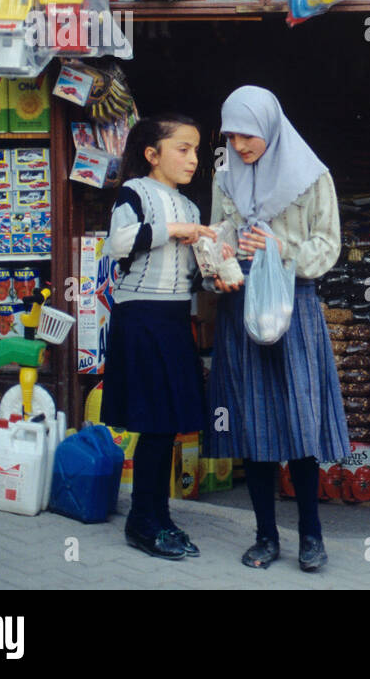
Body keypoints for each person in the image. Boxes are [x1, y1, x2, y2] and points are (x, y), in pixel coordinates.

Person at [205, 86, 348, 572]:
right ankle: (266, 537)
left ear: (269, 125)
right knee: (252, 424)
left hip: (294, 308)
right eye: (232, 135)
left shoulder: (312, 177)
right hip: (240, 305)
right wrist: (218, 260)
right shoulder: (226, 173)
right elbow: (218, 231)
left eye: (247, 135)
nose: (240, 145)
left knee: (299, 425)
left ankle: (312, 537)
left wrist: (280, 249)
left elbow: (328, 247)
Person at [99, 114, 215, 561]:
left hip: (172, 319)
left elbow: (189, 272)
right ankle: (141, 522)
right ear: (153, 154)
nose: (192, 158)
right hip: (141, 317)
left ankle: (158, 516)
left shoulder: (190, 207)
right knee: (151, 423)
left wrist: (213, 275)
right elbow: (120, 242)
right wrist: (175, 231)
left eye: (197, 150)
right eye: (182, 149)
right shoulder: (135, 192)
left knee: (166, 425)